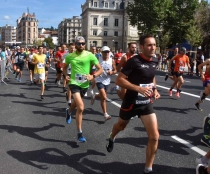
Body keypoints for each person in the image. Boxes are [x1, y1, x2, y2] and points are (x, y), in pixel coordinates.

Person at [106, 34, 160, 174]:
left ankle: (148, 168)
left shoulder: (155, 60)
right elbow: (119, 80)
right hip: (130, 102)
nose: (153, 47)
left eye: (154, 44)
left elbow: (151, 75)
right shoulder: (133, 61)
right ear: (141, 47)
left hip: (145, 103)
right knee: (121, 126)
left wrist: (155, 89)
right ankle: (112, 136)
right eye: (149, 45)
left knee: (154, 136)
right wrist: (138, 88)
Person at [63, 36, 103, 142]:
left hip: (84, 84)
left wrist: (92, 76)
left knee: (76, 104)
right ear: (75, 44)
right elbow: (64, 67)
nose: (81, 45)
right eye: (79, 43)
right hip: (74, 83)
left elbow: (100, 69)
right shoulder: (70, 56)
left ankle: (69, 111)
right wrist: (65, 75)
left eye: (83, 43)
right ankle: (79, 133)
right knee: (80, 107)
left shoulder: (90, 55)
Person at [91, 46, 116, 121]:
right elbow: (91, 66)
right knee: (104, 97)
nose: (106, 53)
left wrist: (112, 72)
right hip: (99, 79)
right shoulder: (98, 59)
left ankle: (95, 96)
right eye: (104, 52)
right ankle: (105, 114)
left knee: (102, 97)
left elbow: (115, 70)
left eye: (107, 52)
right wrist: (90, 74)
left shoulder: (112, 60)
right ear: (101, 52)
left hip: (107, 80)